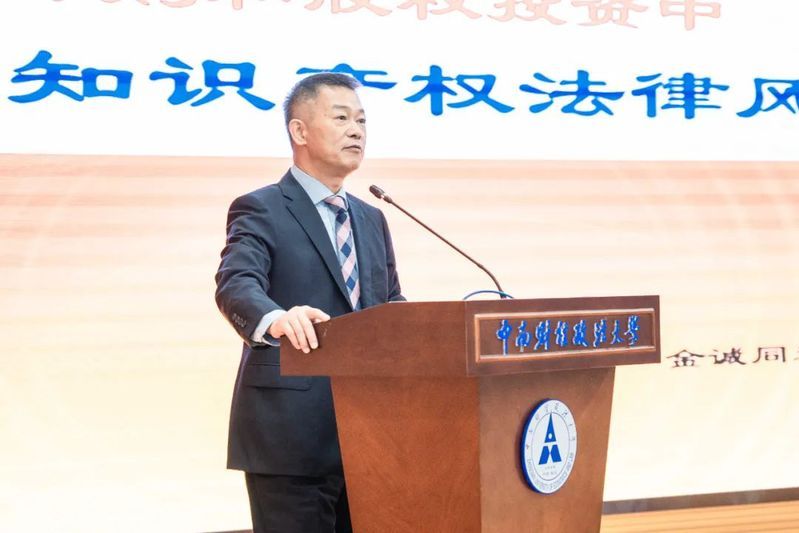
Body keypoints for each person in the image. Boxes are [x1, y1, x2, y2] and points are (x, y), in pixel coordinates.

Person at [214, 73, 404, 532]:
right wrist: (276, 317)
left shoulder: (372, 217)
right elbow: (236, 282)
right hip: (290, 437)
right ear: (299, 131)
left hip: (368, 436)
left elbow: (391, 304)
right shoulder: (261, 207)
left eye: (361, 120)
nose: (356, 130)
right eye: (341, 118)